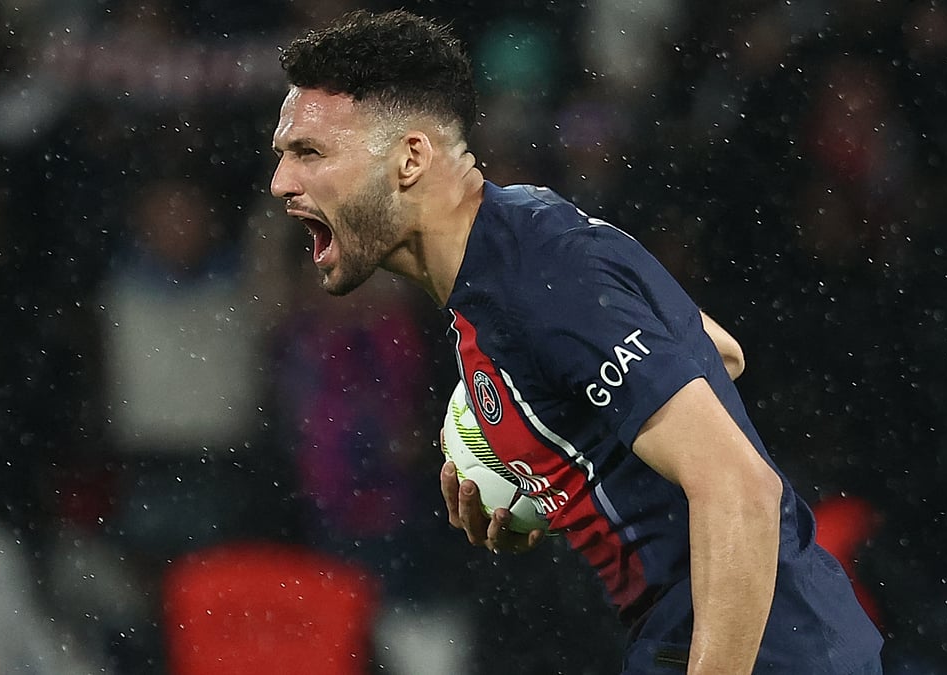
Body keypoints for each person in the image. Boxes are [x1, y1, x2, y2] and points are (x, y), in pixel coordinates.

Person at [267, 9, 883, 674]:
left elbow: (742, 488)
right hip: (711, 635)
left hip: (766, 647)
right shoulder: (514, 239)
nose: (281, 183)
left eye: (309, 153)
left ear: (410, 158)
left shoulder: (542, 279)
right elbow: (716, 351)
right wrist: (552, 481)